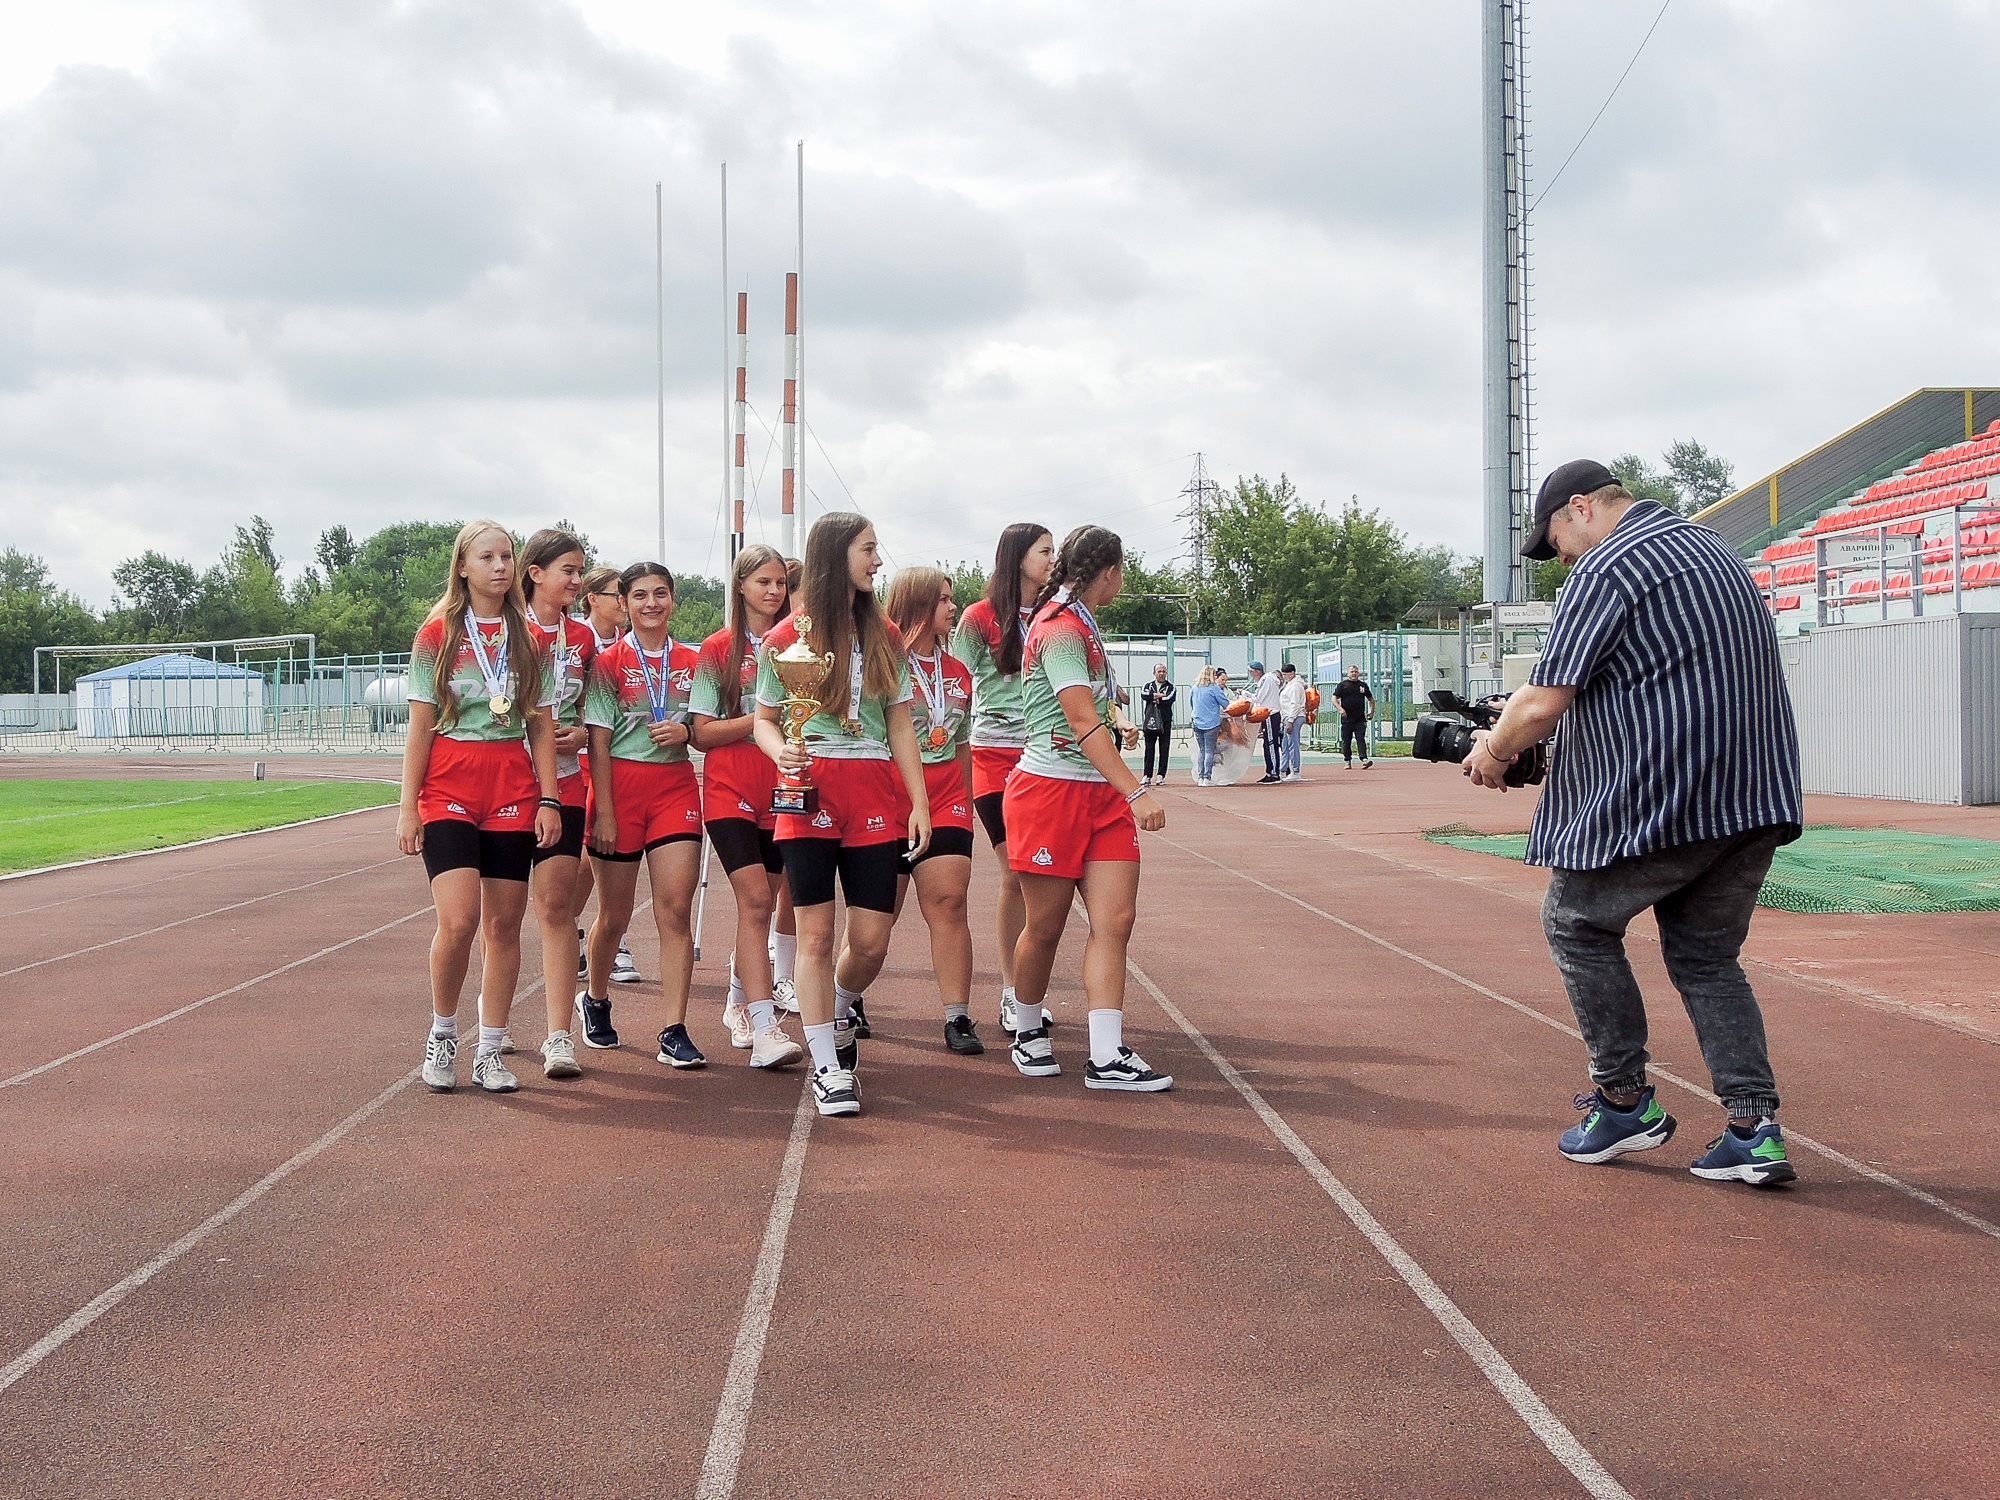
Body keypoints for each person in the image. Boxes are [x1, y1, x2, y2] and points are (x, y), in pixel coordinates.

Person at [1467, 457, 1803, 1188]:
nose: (1559, 560)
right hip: (1755, 798)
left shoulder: (1610, 565)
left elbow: (1544, 700)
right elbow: (1655, 681)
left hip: (1674, 800)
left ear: (1581, 508)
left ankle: (1623, 1103)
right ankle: (1754, 1129)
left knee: (1577, 923)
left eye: (1554, 540)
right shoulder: (1714, 549)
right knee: (1707, 959)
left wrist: (1493, 751)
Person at [754, 512, 933, 1118]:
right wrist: (787, 757)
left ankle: (836, 1000)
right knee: (815, 932)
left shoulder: (884, 633)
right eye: (869, 549)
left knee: (872, 938)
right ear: (837, 557)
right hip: (811, 789)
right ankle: (828, 1066)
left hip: (876, 789)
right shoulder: (786, 641)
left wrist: (920, 801)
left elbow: (903, 722)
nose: (879, 560)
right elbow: (765, 721)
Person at [396, 520, 563, 1094]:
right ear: (462, 566)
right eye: (487, 556)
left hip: (512, 786)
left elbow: (541, 725)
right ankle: (443, 1033)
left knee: (503, 924)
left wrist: (550, 798)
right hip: (448, 782)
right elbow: (420, 727)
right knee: (460, 920)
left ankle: (490, 1047)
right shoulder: (435, 634)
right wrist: (406, 809)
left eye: (507, 556)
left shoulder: (533, 639)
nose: (500, 565)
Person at [1003, 525, 1171, 1091]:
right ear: (1108, 571)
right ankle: (1026, 1027)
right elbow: (1077, 720)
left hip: (1097, 793)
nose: (1122, 580)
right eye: (1122, 571)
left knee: (1115, 921)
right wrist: (1135, 789)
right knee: (1045, 927)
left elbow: (1090, 708)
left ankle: (1106, 1053)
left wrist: (1117, 721)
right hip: (1050, 791)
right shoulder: (1057, 627)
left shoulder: (1086, 625)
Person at [579, 562, 707, 1070]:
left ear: (673, 599)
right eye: (639, 596)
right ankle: (596, 997)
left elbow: (705, 725)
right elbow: (598, 741)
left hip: (675, 786)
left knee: (674, 910)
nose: (651, 603)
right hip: (619, 789)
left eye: (660, 594)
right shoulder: (608, 663)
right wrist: (604, 812)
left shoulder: (695, 660)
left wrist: (688, 735)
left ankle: (673, 1028)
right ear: (625, 603)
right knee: (614, 912)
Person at [688, 543, 805, 1070]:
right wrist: (764, 720)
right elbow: (701, 735)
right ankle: (763, 1028)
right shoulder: (718, 648)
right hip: (729, 790)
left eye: (780, 582)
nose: (774, 591)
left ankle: (738, 1001)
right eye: (763, 582)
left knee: (764, 903)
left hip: (783, 790)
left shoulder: (799, 643)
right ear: (740, 586)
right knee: (756, 900)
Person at [951, 522, 1058, 1038]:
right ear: (1018, 557)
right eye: (1045, 551)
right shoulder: (978, 618)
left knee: (1043, 876)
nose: (1053, 559)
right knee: (1015, 871)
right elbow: (956, 686)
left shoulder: (1052, 614)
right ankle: (1013, 992)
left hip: (1044, 758)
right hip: (993, 759)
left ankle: (1028, 988)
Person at [884, 566, 983, 1055]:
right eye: (944, 600)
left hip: (945, 797)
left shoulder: (960, 672)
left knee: (949, 902)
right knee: (881, 915)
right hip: (892, 795)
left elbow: (961, 742)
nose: (952, 608)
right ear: (919, 606)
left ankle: (957, 1015)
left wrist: (963, 799)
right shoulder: (885, 667)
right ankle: (849, 997)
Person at [520, 528, 598, 1080]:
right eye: (568, 570)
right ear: (536, 573)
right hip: (506, 785)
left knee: (557, 909)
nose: (577, 580)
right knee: (498, 918)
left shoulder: (585, 639)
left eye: (580, 570)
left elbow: (592, 717)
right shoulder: (503, 631)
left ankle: (557, 1035)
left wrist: (578, 736)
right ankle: (490, 1022)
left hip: (567, 785)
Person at [573, 568, 641, 986]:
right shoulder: (578, 640)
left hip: (616, 758)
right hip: (578, 755)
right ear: (593, 599)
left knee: (604, 851)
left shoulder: (627, 645)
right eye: (617, 595)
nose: (623, 604)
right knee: (588, 850)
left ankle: (611, 934)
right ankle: (577, 926)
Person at [1138, 663, 1176, 786]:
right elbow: (1144, 695)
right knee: (1149, 748)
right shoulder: (1148, 685)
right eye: (1159, 671)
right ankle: (1147, 775)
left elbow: (1169, 698)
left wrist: (1155, 698)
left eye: (1163, 671)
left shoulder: (1171, 687)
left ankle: (1161, 775)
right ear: (1154, 673)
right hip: (1150, 721)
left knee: (1164, 749)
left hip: (1165, 722)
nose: (1161, 673)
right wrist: (1156, 696)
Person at [1189, 666, 1227, 787]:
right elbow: (1225, 703)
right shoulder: (1214, 688)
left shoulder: (1195, 688)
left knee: (1202, 750)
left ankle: (1200, 777)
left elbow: (1191, 703)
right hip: (1211, 722)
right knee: (1209, 750)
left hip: (1197, 721)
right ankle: (1207, 777)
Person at [1332, 666, 1375, 769]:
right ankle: (1347, 760)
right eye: (1352, 672)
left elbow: (1371, 699)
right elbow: (1334, 698)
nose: (1354, 673)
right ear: (1348, 673)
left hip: (1359, 718)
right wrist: (1340, 709)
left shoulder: (1363, 686)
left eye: (1356, 672)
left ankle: (1364, 759)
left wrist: (1372, 712)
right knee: (1346, 740)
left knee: (1361, 739)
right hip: (1347, 719)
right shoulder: (1343, 685)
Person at [1249, 661, 1284, 783]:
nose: (1251, 675)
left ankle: (1274, 772)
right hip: (1269, 713)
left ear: (1257, 671)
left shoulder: (1266, 680)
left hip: (1270, 713)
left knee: (1270, 743)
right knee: (1268, 744)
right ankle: (1271, 771)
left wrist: (1245, 695)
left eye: (1251, 672)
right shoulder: (1268, 679)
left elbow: (1258, 698)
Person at [1277, 663, 1307, 782]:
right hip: (1287, 717)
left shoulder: (1295, 686)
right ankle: (1283, 769)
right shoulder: (1289, 685)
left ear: (1292, 673)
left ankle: (1296, 770)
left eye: (1286, 674)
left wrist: (1290, 720)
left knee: (1293, 744)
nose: (1284, 677)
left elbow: (1295, 704)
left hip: (1294, 717)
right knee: (1285, 744)